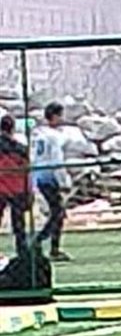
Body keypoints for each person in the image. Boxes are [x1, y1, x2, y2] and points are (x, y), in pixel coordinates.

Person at [31, 102, 71, 261]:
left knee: (58, 212)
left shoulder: (38, 134)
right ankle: (42, 242)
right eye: (60, 115)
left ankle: (49, 245)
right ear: (54, 116)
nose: (62, 119)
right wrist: (64, 182)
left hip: (39, 176)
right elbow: (56, 161)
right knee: (58, 213)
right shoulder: (54, 137)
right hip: (50, 177)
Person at [0, 115, 30, 256]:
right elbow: (27, 170)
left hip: (1, 187)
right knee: (18, 223)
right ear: (12, 129)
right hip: (17, 187)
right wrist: (28, 190)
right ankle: (22, 250)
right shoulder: (21, 149)